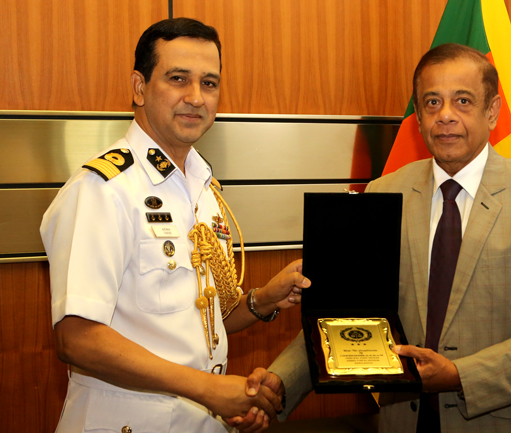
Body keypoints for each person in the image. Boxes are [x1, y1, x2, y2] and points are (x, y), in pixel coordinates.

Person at [244, 43, 511, 433]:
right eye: (432, 102)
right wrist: (280, 383)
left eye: (462, 101)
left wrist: (461, 375)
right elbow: (345, 316)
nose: (445, 116)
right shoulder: (383, 194)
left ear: (492, 111)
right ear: (418, 115)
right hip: (400, 420)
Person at [40, 18, 310, 433]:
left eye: (209, 83)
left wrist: (263, 300)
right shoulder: (103, 190)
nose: (195, 98)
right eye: (178, 78)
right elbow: (77, 339)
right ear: (139, 87)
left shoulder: (202, 186)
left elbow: (198, 316)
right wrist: (210, 389)